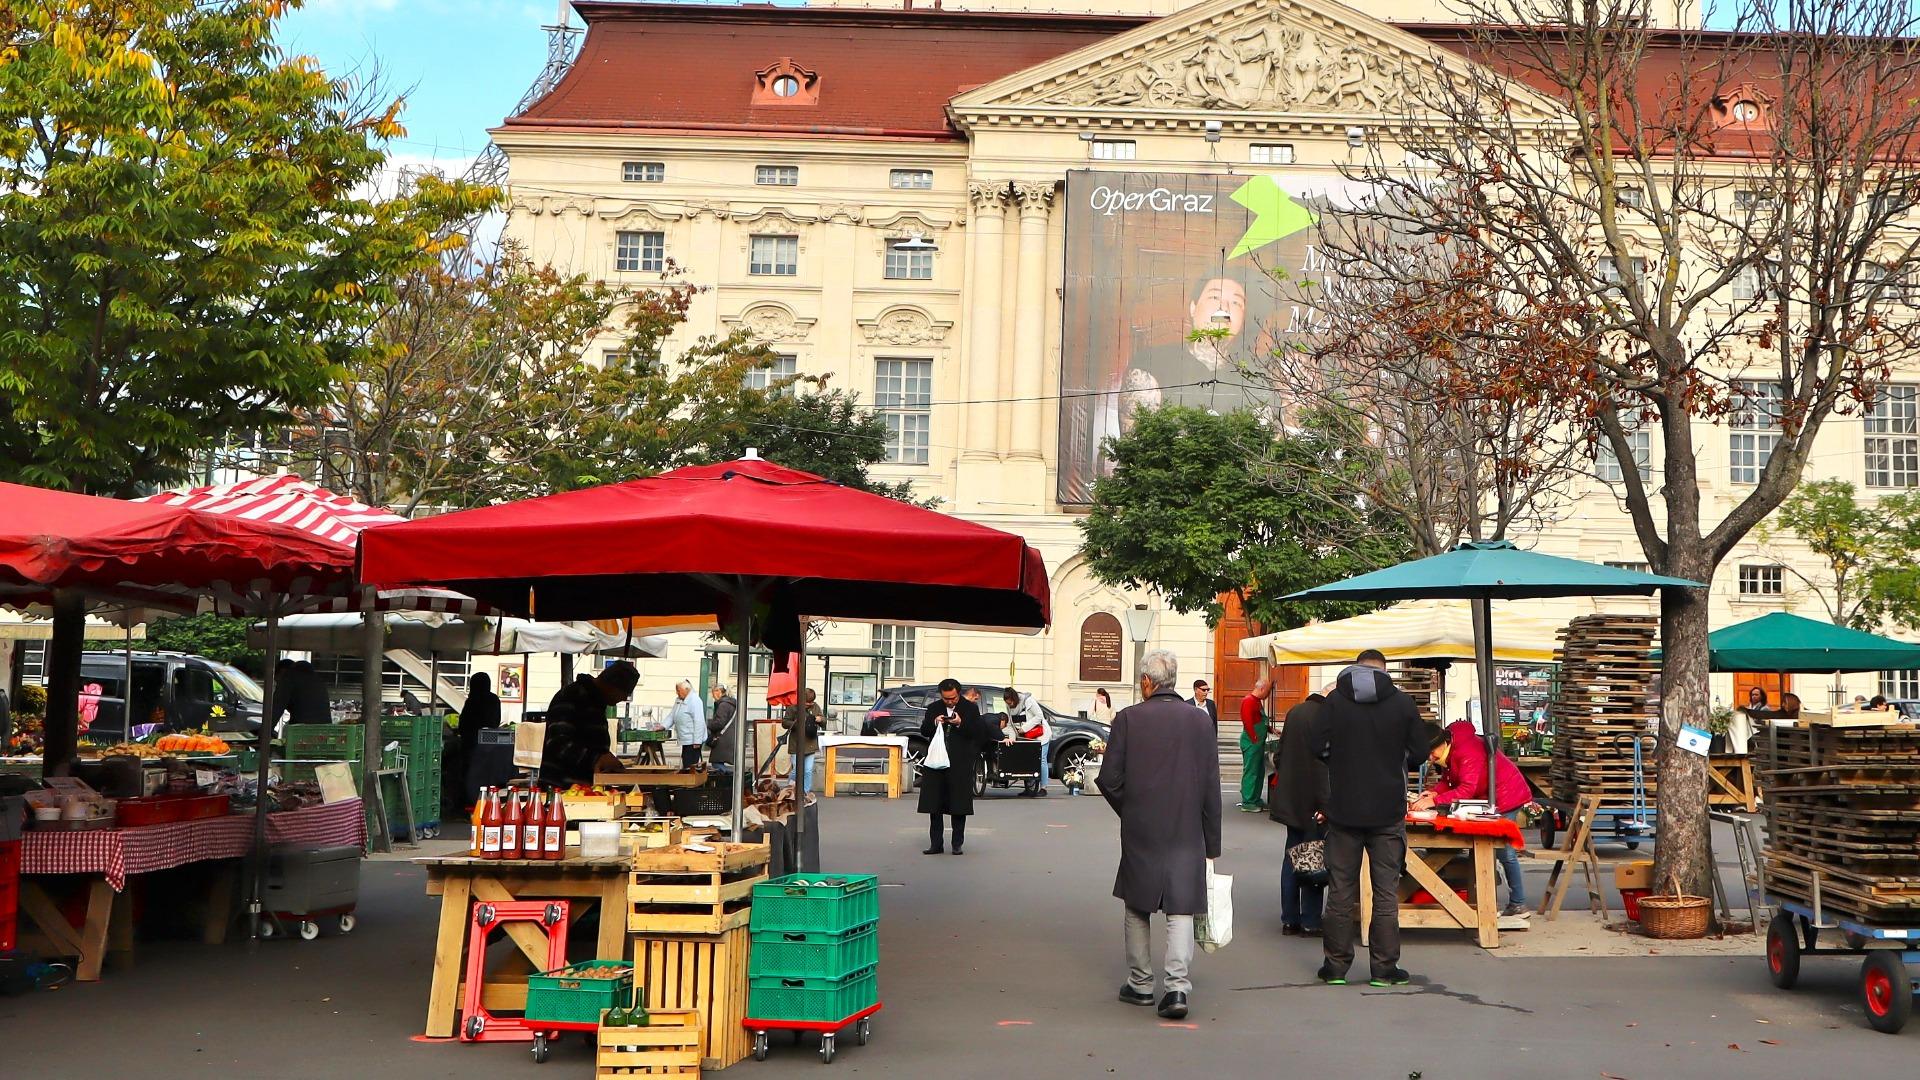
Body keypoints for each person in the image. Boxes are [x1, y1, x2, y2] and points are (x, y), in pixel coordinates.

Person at [1098, 649, 1221, 1021]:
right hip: (1187, 826)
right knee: (1181, 905)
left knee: (1137, 902)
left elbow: (1108, 779)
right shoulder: (1200, 720)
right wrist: (1212, 842)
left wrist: (1131, 807)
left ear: (1146, 682)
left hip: (1141, 826)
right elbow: (1211, 785)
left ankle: (1140, 983)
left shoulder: (1128, 718)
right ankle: (1177, 987)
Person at [1313, 649, 1426, 988]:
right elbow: (1420, 751)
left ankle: (1335, 967)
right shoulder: (1402, 703)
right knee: (1386, 893)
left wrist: (1340, 760)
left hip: (1343, 811)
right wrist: (1394, 759)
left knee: (1340, 891)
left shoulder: (1335, 701)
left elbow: (1316, 745)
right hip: (1388, 812)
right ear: (1384, 671)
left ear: (1355, 668)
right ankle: (1384, 969)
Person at [1411, 720, 1535, 917]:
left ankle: (1518, 904)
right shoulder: (1452, 749)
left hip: (1507, 796)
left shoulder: (1467, 751)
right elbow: (1449, 781)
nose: (1430, 757)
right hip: (1491, 796)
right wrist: (1434, 793)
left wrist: (1434, 801)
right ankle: (1489, 902)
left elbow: (1466, 789)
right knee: (1494, 850)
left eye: (1431, 752)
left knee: (1504, 852)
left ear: (1443, 743)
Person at [1270, 686, 1330, 936]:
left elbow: (1280, 755)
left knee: (1291, 856)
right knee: (1312, 856)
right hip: (1313, 800)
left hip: (1291, 798)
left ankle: (1289, 919)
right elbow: (1323, 765)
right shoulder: (1326, 716)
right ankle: (1310, 920)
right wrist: (1325, 804)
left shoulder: (1295, 712)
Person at [918, 678, 994, 854]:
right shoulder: (934, 708)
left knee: (959, 804)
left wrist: (960, 723)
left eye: (953, 698)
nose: (950, 702)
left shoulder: (970, 708)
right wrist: (935, 722)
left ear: (959, 694)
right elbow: (924, 730)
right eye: (946, 698)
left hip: (960, 762)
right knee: (934, 804)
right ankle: (936, 844)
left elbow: (978, 733)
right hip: (936, 761)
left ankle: (957, 844)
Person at [538, 661, 639, 786]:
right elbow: (558, 743)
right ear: (613, 686)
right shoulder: (572, 696)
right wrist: (597, 758)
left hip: (582, 787)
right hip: (561, 787)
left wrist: (605, 760)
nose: (624, 698)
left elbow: (592, 743)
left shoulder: (596, 702)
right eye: (625, 693)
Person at [457, 672, 502, 806]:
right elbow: (495, 721)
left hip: (471, 744)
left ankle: (469, 802)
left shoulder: (472, 700)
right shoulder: (494, 700)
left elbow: (463, 724)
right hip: (491, 744)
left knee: (469, 774)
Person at [1002, 686, 1052, 794]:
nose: (1010, 705)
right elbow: (1011, 723)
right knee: (1028, 761)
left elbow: (1039, 716)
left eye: (1011, 703)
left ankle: (1043, 788)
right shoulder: (1009, 706)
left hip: (1040, 735)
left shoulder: (1028, 701)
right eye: (1008, 703)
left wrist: (1024, 728)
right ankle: (1029, 788)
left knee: (1041, 760)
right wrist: (1012, 738)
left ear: (1015, 698)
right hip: (1025, 737)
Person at [1237, 677, 1272, 813]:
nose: (1268, 694)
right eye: (1267, 691)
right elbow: (1247, 722)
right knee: (1251, 771)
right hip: (1252, 742)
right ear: (1262, 689)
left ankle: (1255, 798)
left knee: (1259, 771)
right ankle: (1248, 801)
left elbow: (1259, 720)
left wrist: (1270, 729)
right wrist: (1254, 738)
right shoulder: (1248, 701)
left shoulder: (1257, 701)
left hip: (1257, 742)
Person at [784, 687, 822, 794]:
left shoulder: (815, 707)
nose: (810, 704)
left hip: (810, 743)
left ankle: (805, 792)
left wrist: (820, 719)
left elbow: (823, 720)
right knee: (797, 770)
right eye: (807, 702)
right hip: (796, 744)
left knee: (808, 770)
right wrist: (797, 723)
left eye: (811, 702)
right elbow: (785, 723)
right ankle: (790, 789)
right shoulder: (792, 708)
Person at [669, 679, 706, 768]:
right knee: (686, 762)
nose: (677, 693)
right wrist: (663, 726)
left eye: (678, 690)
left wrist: (697, 741)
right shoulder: (679, 700)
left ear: (686, 690)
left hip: (692, 741)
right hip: (686, 739)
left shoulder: (695, 700)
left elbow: (699, 721)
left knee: (690, 765)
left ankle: (689, 776)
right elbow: (672, 716)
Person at [707, 684, 739, 772]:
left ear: (718, 692)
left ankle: (729, 777)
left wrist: (709, 725)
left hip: (722, 739)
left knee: (717, 763)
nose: (712, 696)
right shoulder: (731, 703)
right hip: (729, 737)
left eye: (713, 693)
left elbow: (719, 723)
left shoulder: (723, 705)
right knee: (718, 763)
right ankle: (730, 776)